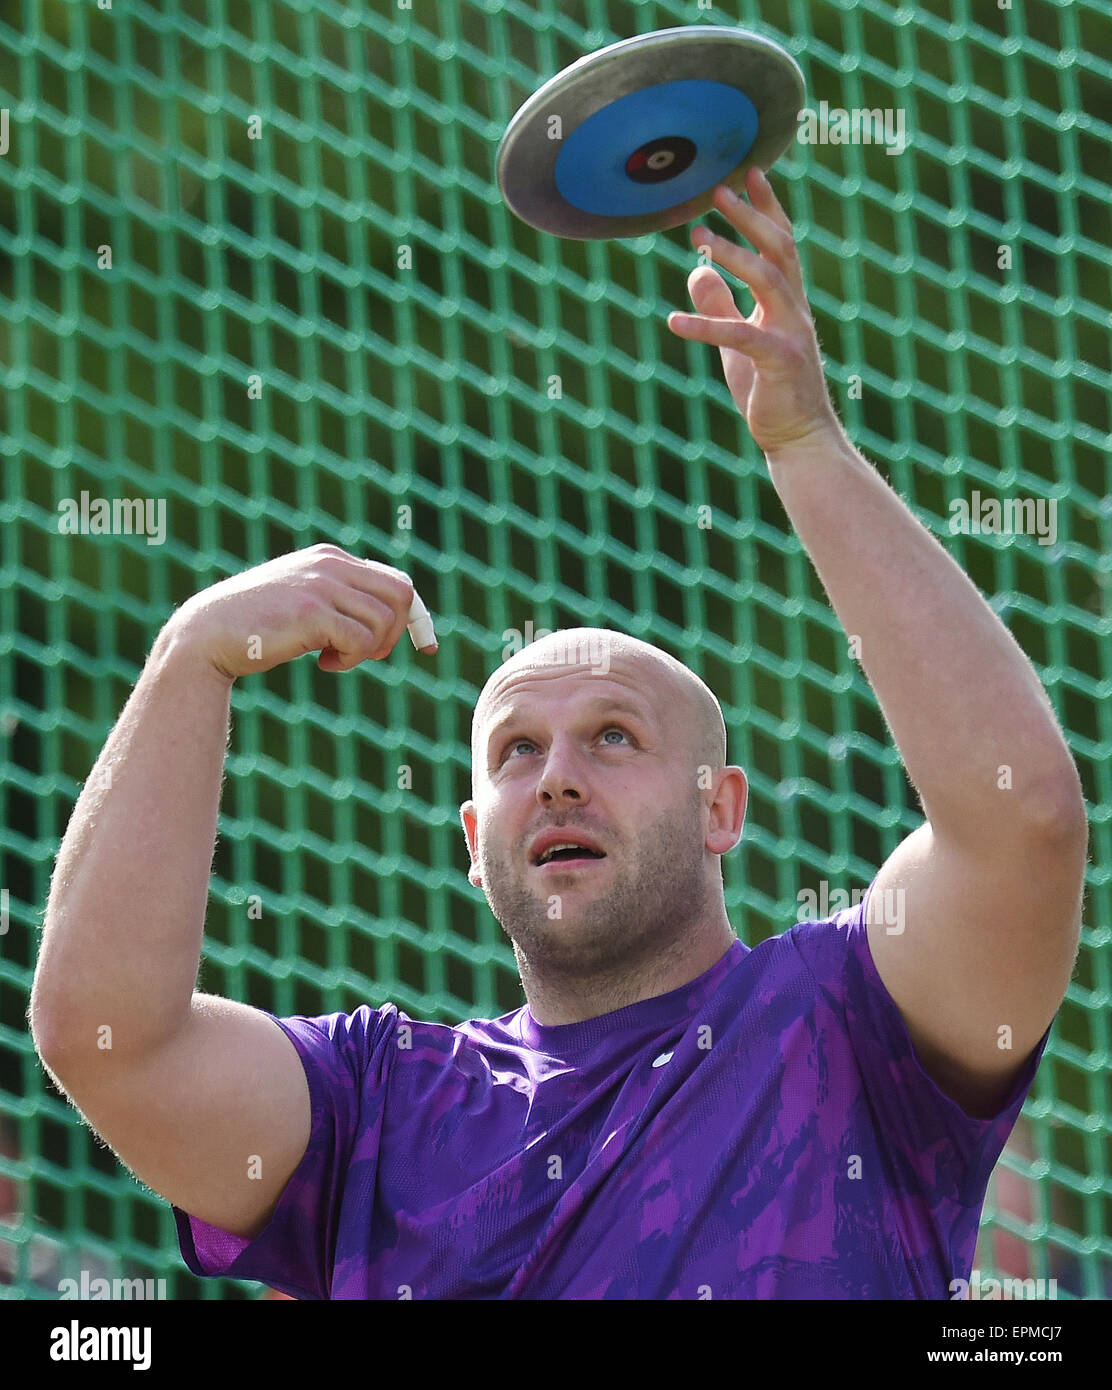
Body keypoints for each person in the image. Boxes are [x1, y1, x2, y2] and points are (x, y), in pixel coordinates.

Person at [30, 168, 1087, 1300]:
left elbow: (1020, 817)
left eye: (615, 737)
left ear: (720, 806)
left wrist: (806, 444)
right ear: (470, 837)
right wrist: (190, 656)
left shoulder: (845, 1023)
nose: (558, 779)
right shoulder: (376, 1105)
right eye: (516, 752)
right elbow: (107, 1039)